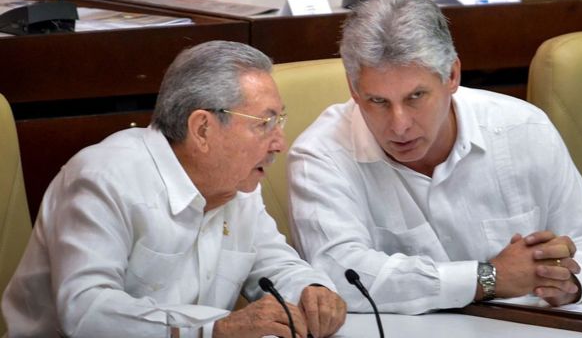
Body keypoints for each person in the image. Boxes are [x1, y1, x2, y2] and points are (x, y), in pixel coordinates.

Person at [287, 0, 582, 315]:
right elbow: (339, 276)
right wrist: (488, 277)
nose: (399, 125)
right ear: (353, 89)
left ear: (452, 75)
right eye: (378, 102)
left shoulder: (522, 127)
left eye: (416, 97)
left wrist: (571, 280)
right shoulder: (321, 154)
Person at [2, 41, 346, 337]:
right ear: (202, 129)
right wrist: (215, 330)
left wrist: (311, 290)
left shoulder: (238, 185)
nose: (279, 144)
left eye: (279, 122)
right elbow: (87, 313)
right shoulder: (103, 179)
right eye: (265, 124)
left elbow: (275, 263)